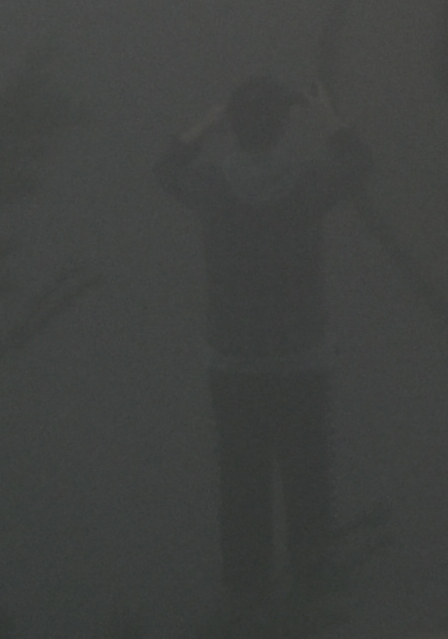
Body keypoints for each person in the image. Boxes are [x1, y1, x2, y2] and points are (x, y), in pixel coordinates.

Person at [155, 74, 373, 592]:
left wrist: (206, 125)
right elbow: (360, 165)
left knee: (241, 478)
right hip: (302, 355)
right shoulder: (309, 183)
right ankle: (312, 580)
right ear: (282, 126)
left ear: (233, 126)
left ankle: (247, 588)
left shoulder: (211, 185)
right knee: (306, 474)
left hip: (234, 358)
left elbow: (165, 170)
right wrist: (328, 117)